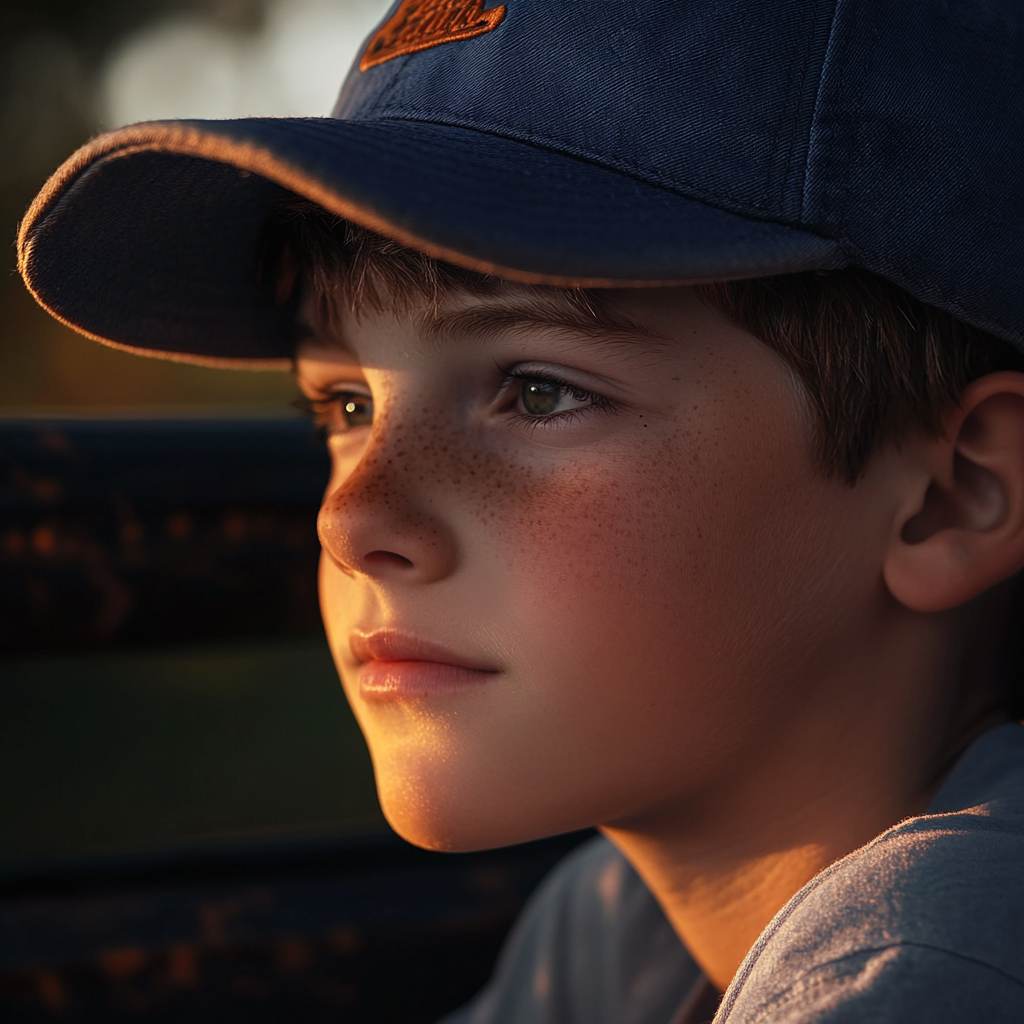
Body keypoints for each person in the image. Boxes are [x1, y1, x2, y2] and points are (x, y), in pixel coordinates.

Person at [16, 1, 1024, 1020]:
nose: (351, 519)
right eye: (345, 403)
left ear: (953, 495)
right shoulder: (622, 924)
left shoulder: (927, 975)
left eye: (538, 390)